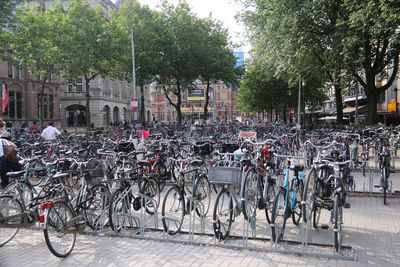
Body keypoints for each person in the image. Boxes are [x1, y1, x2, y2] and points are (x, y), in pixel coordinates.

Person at [0, 118, 22, 189]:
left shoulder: (3, 140)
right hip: (6, 162)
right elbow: (15, 147)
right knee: (6, 182)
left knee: (5, 182)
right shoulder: (4, 141)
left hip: (4, 162)